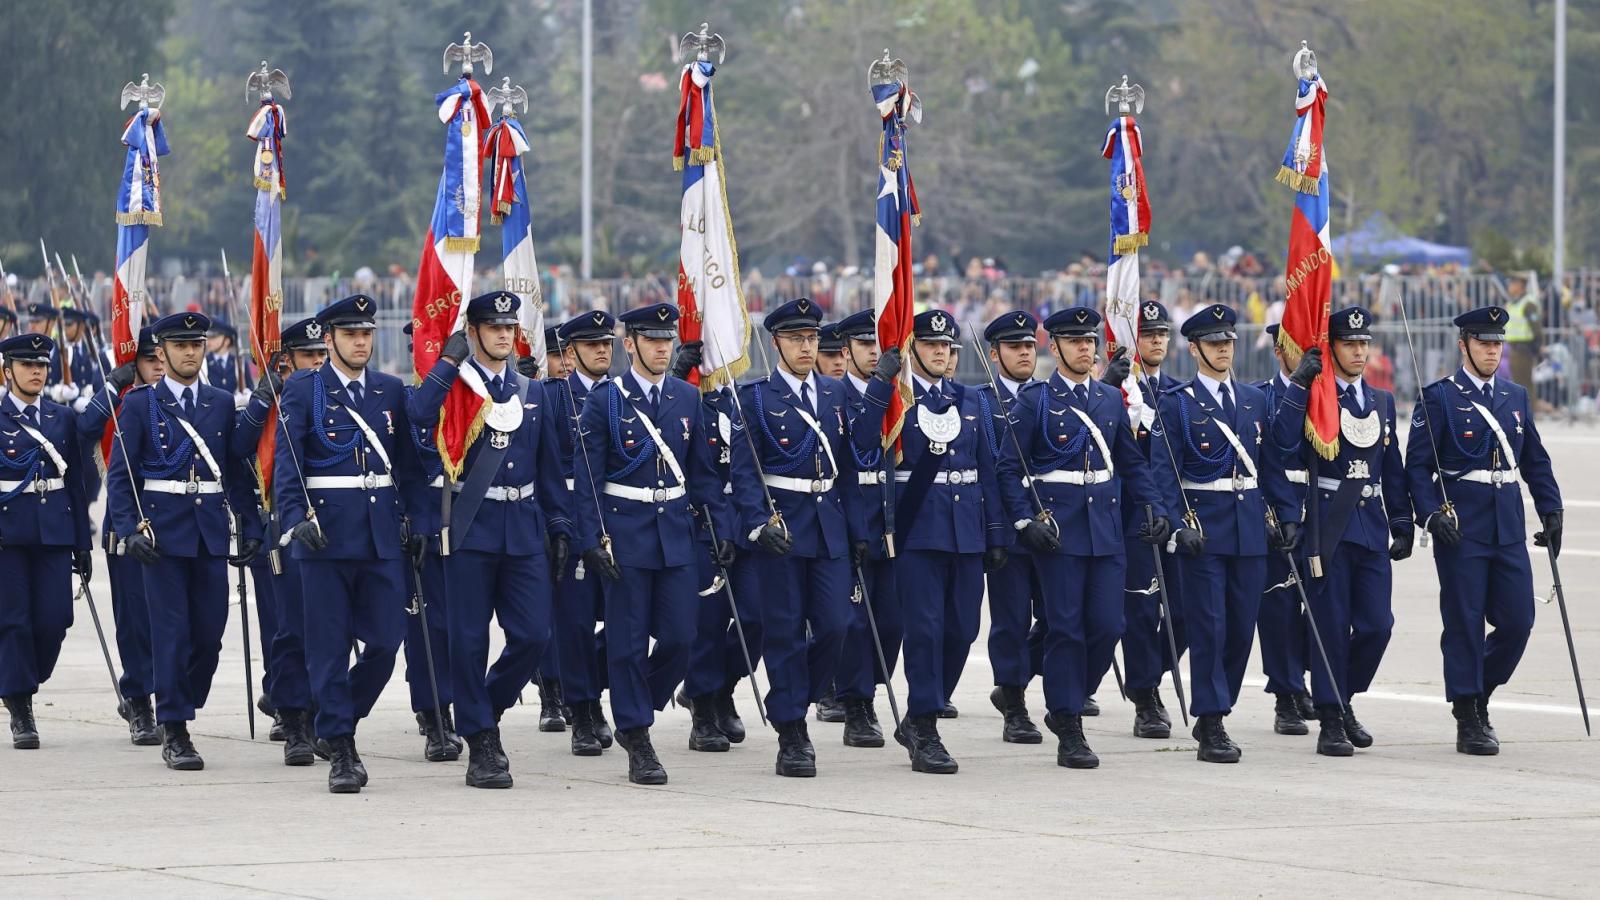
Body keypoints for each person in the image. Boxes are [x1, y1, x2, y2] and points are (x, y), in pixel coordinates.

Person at [410, 291, 574, 789]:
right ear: (473, 332)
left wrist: (559, 525)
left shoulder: (532, 391)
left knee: (533, 635)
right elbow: (417, 420)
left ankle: (483, 709)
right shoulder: (453, 387)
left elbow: (549, 469)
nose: (505, 335)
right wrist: (446, 364)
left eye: (510, 327)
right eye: (493, 327)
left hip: (522, 528)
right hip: (469, 528)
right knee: (467, 639)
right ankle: (482, 742)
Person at [726, 297, 894, 776]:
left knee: (838, 626)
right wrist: (758, 523)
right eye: (796, 338)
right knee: (782, 632)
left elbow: (856, 454)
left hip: (830, 528)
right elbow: (746, 472)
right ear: (776, 341)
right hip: (782, 526)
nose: (806, 346)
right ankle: (792, 731)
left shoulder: (835, 392)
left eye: (812, 338)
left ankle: (804, 696)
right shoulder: (756, 397)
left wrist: (882, 382)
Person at [999, 306, 1169, 768]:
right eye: (1075, 341)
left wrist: (1154, 506)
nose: (1086, 348)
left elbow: (1131, 462)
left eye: (1090, 341)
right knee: (1066, 629)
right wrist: (1023, 522)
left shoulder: (1110, 401)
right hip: (1059, 534)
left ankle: (1070, 697)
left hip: (1106, 532)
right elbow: (1009, 468)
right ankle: (1068, 720)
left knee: (1109, 626)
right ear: (1054, 347)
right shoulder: (1034, 401)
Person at [106, 312, 274, 770]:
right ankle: (176, 728)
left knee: (208, 635)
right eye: (179, 346)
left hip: (209, 534)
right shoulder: (141, 404)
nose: (188, 353)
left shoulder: (220, 403)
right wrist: (126, 528)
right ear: (161, 352)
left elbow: (232, 472)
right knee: (171, 634)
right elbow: (122, 477)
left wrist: (252, 525)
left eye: (195, 345)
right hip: (161, 535)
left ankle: (177, 702)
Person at [570, 302, 730, 785]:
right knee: (627, 642)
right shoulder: (605, 400)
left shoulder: (686, 397)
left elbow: (702, 474)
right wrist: (590, 539)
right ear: (630, 344)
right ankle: (636, 733)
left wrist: (720, 531)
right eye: (653, 340)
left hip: (676, 534)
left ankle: (639, 705)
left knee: (682, 636)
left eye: (668, 340)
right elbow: (588, 477)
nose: (663, 348)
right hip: (625, 533)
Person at [1406, 305, 1562, 756]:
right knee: (1464, 623)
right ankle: (1467, 713)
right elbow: (1416, 468)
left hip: (1507, 524)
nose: (1492, 351)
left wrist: (1551, 510)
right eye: (1484, 343)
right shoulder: (1438, 397)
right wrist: (1431, 514)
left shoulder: (1514, 396)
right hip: (1462, 526)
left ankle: (1480, 690)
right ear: (1464, 345)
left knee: (1518, 621)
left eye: (1497, 344)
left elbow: (1534, 459)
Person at [273, 294, 409, 793]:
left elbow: (407, 467)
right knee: (328, 649)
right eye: (350, 334)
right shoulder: (303, 390)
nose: (360, 341)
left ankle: (337, 716)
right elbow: (287, 462)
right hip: (325, 534)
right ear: (328, 340)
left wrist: (412, 522)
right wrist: (294, 517)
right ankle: (343, 750)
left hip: (379, 536)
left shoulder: (391, 390)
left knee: (385, 644)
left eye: (366, 333)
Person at [1271, 306, 1412, 756]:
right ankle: (1332, 717)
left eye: (1364, 343)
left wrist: (1402, 522)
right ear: (1331, 347)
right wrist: (1300, 386)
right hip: (1328, 528)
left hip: (1370, 527)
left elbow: (1393, 468)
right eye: (1349, 343)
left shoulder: (1382, 401)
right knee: (1329, 627)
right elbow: (1282, 444)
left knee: (1377, 626)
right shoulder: (1317, 396)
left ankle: (1342, 696)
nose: (1358, 351)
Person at [1149, 303, 1282, 763]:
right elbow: (1163, 471)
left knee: (1242, 629)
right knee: (1209, 626)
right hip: (1203, 528)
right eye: (1214, 343)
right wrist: (1178, 524)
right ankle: (1211, 720)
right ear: (1194, 349)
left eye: (1228, 343)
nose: (1224, 350)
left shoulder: (1254, 399)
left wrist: (1287, 518)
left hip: (1248, 528)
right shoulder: (1176, 403)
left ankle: (1219, 706)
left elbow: (1271, 469)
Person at [891, 309, 1007, 774]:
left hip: (966, 530)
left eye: (948, 346)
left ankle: (930, 703)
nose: (941, 352)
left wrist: (995, 531)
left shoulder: (971, 400)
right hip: (918, 528)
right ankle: (924, 722)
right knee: (924, 630)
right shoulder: (897, 401)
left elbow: (988, 470)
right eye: (932, 345)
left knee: (962, 629)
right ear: (912, 349)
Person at [0, 333, 92, 749]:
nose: (36, 371)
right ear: (7, 371)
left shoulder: (61, 418)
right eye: (26, 365)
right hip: (8, 535)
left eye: (41, 365)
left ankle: (18, 678)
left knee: (55, 621)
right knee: (14, 621)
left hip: (54, 531)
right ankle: (21, 707)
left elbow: (75, 481)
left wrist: (82, 546)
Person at [76, 326, 164, 745]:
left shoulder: (179, 400)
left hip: (173, 518)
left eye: (163, 357)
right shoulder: (121, 399)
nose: (160, 366)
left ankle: (169, 696)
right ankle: (139, 702)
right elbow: (85, 426)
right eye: (150, 360)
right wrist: (115, 383)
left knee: (177, 619)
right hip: (127, 516)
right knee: (134, 619)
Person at [1113, 300, 1188, 739]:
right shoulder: (1116, 393)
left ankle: (1150, 670)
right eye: (1147, 334)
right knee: (1140, 610)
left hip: (1178, 515)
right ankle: (1146, 697)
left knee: (1185, 612)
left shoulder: (1179, 395)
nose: (1156, 341)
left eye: (1162, 334)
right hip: (1131, 514)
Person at [261, 317, 331, 767]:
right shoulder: (271, 400)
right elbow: (239, 452)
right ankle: (294, 719)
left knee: (328, 626)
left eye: (321, 356)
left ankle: (322, 709)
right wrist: (261, 397)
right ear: (286, 361)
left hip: (327, 526)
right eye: (308, 357)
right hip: (282, 524)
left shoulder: (332, 396)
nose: (317, 364)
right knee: (291, 628)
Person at [973, 310, 1047, 744]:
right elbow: (986, 471)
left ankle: (1014, 681)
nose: (1024, 353)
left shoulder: (1050, 395)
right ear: (994, 353)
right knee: (1011, 621)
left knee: (1061, 618)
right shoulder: (979, 401)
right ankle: (1016, 703)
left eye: (1029, 346)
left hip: (1054, 524)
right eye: (1014, 346)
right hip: (1006, 529)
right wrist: (995, 530)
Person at [548, 311, 618, 756]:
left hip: (616, 517)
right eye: (592, 344)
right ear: (570, 352)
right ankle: (583, 709)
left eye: (607, 343)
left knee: (624, 620)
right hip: (571, 514)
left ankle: (595, 688)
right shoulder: (554, 398)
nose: (602, 351)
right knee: (573, 623)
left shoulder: (622, 396)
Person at [831, 309, 902, 745]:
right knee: (855, 622)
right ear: (845, 351)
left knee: (892, 621)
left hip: (890, 520)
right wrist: (880, 387)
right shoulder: (833, 394)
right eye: (864, 344)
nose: (874, 352)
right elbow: (857, 445)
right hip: (850, 518)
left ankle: (869, 687)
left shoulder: (899, 394)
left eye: (878, 343)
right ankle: (855, 703)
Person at [397, 320, 461, 764]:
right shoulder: (402, 400)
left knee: (467, 627)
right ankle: (435, 715)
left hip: (471, 522)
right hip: (421, 527)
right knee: (427, 629)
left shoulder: (473, 398)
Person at [1255, 323, 1315, 735]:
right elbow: (1270, 451)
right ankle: (1285, 693)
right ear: (1280, 351)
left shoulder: (1328, 396)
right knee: (1278, 607)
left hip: (1320, 509)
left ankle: (1306, 681)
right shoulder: (1261, 396)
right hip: (1278, 507)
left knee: (1318, 607)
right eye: (1297, 349)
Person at [206, 321, 252, 396]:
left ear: (226, 341)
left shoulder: (240, 363)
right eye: (208, 337)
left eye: (214, 337)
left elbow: (250, 389)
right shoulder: (203, 363)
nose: (208, 341)